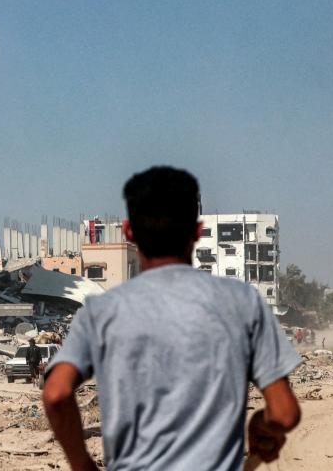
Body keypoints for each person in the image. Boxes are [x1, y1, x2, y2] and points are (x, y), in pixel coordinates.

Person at [42, 167, 301, 470]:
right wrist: (262, 425)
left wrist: (82, 463)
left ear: (129, 232)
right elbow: (284, 412)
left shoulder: (101, 312)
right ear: (197, 231)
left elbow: (56, 393)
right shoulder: (242, 302)